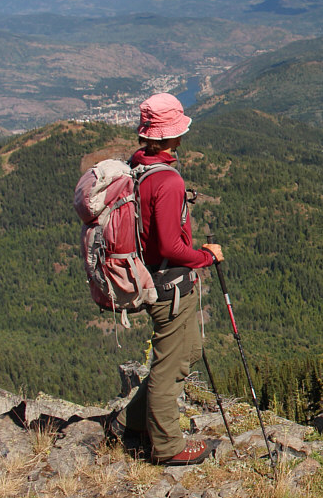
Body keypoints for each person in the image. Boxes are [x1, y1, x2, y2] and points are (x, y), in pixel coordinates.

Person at [111, 92, 223, 466]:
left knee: (187, 352)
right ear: (171, 135)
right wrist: (206, 256)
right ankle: (167, 447)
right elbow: (172, 246)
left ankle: (131, 421)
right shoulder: (168, 181)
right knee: (169, 367)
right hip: (169, 285)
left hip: (151, 277)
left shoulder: (137, 165)